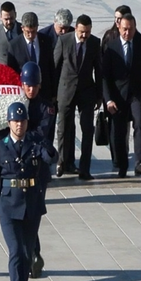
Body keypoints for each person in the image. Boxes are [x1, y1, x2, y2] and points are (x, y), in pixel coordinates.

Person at [0, 102, 57, 281]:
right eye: (15, 121)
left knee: (26, 252)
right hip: (8, 206)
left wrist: (47, 146)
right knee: (15, 250)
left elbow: (50, 158)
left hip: (31, 206)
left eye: (22, 121)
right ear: (9, 123)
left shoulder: (34, 144)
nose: (19, 125)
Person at [103, 13, 141, 178]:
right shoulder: (111, 48)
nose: (127, 33)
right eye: (125, 29)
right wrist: (108, 99)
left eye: (131, 29)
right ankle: (122, 165)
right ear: (119, 27)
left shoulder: (140, 44)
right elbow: (105, 77)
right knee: (119, 131)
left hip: (137, 95)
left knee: (139, 124)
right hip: (118, 97)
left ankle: (139, 161)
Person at [54, 14, 102, 180]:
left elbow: (99, 70)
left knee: (87, 130)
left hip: (86, 92)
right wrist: (54, 94)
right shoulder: (64, 41)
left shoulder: (95, 43)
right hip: (66, 91)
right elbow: (55, 67)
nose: (84, 35)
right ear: (76, 28)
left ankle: (85, 169)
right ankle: (61, 162)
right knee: (63, 128)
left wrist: (99, 95)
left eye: (87, 32)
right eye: (82, 32)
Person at [20, 61, 56, 278]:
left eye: (34, 85)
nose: (31, 89)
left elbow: (41, 133)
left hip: (38, 168)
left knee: (33, 213)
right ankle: (34, 254)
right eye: (27, 85)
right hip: (20, 168)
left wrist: (21, 134)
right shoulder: (18, 104)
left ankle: (34, 254)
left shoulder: (45, 108)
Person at [7, 12, 56, 102]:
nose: (30, 35)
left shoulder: (46, 41)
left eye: (33, 32)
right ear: (22, 28)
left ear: (37, 27)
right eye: (27, 32)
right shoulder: (14, 45)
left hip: (44, 93)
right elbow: (11, 72)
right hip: (24, 93)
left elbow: (51, 67)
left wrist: (53, 93)